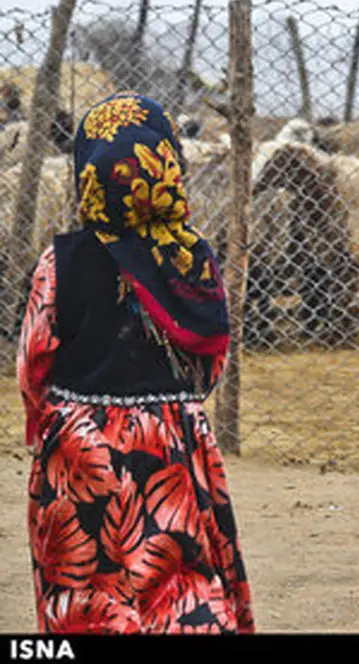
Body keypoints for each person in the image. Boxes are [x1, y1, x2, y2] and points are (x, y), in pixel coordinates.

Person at [17, 93, 255, 633]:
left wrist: (55, 418)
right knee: (179, 579)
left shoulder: (60, 261)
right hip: (170, 443)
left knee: (85, 588)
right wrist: (168, 405)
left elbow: (34, 360)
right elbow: (210, 360)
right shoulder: (191, 259)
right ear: (170, 165)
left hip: (78, 450)